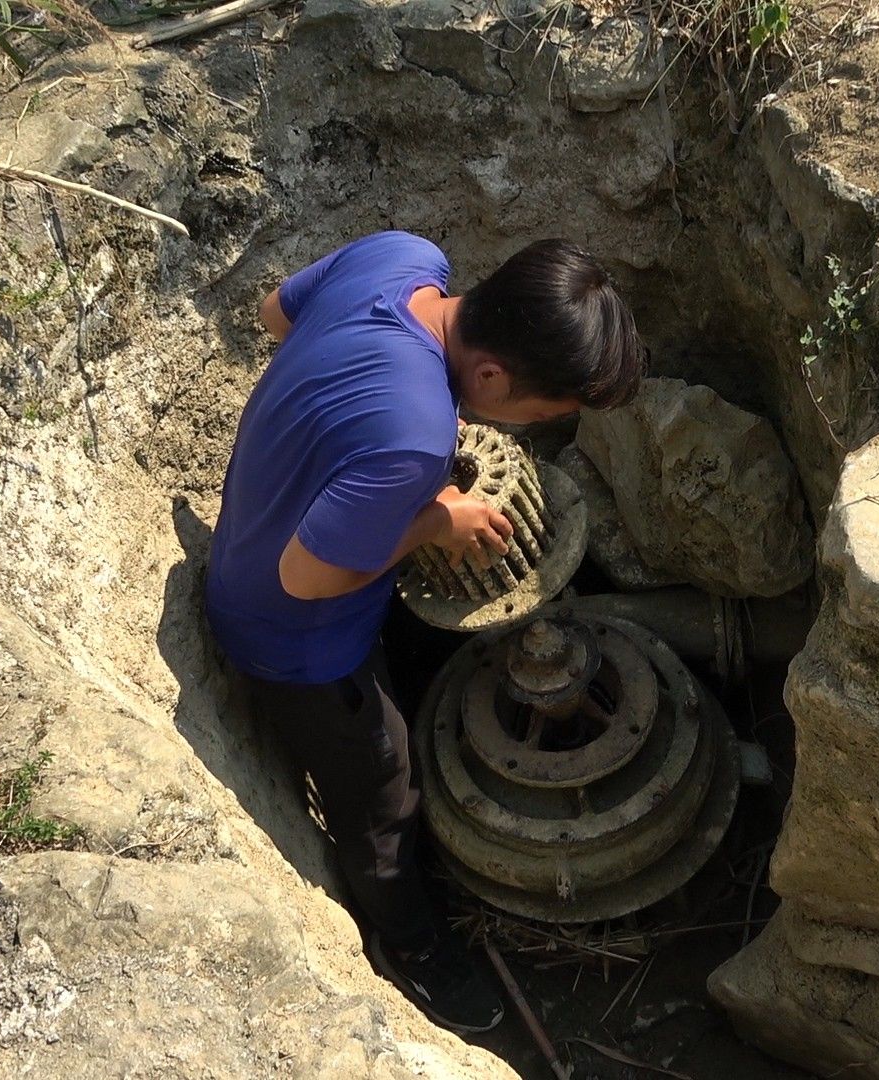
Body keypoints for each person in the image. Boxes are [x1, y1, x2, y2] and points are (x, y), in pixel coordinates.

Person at [203, 231, 644, 1033]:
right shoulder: (414, 433)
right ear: (490, 377)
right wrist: (434, 517)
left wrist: (354, 436)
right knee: (384, 790)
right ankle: (410, 944)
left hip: (252, 523)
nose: (539, 428)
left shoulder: (405, 258)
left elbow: (275, 315)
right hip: (290, 637)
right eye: (543, 413)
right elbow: (304, 579)